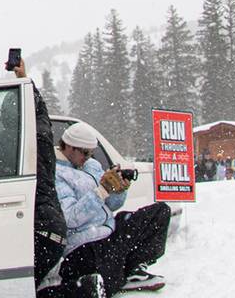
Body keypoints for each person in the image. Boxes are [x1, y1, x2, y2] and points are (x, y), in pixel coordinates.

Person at [53, 124, 169, 296]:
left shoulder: (91, 165)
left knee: (160, 212)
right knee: (107, 281)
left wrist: (119, 190)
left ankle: (132, 269)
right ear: (69, 147)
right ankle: (118, 274)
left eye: (91, 152)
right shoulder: (57, 173)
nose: (88, 157)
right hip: (84, 243)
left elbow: (112, 205)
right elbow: (70, 218)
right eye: (85, 152)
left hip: (110, 231)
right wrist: (101, 191)